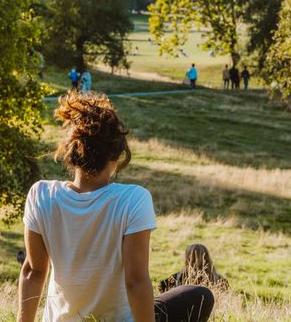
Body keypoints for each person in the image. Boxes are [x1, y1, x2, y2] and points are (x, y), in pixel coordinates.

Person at [18, 91, 214, 322]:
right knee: (199, 295)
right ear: (117, 156)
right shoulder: (133, 199)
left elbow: (33, 271)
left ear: (70, 153)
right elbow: (136, 281)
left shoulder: (41, 194)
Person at [159, 244, 229, 294]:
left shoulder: (178, 278)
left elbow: (161, 288)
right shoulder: (220, 280)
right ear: (207, 258)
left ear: (187, 258)